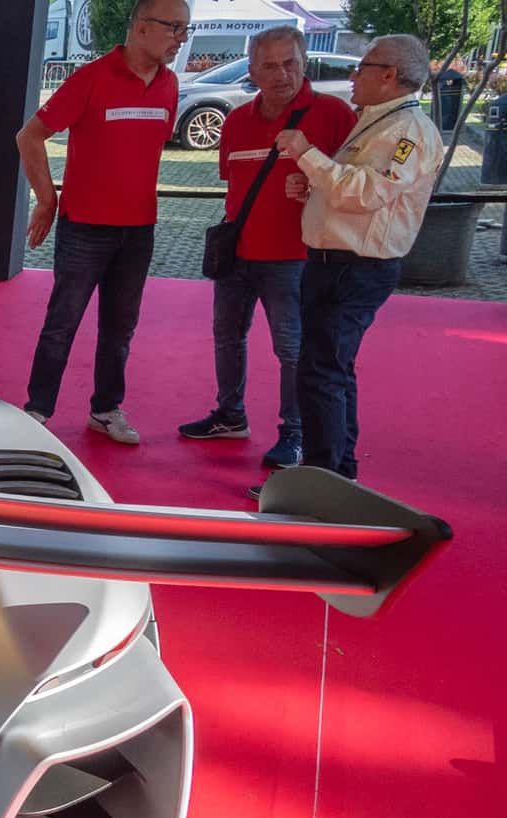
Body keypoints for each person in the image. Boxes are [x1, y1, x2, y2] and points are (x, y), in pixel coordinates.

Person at [262, 34, 441, 492]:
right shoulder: (379, 121)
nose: (353, 75)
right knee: (330, 370)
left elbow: (367, 194)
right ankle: (336, 474)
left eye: (362, 67)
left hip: (356, 267)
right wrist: (313, 189)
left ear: (389, 75)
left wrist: (307, 154)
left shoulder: (407, 131)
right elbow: (351, 186)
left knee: (322, 373)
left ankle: (323, 485)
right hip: (336, 262)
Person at [177, 26, 355, 471]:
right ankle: (230, 415)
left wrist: (314, 185)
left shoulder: (333, 114)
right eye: (270, 66)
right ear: (252, 72)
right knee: (227, 336)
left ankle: (295, 432)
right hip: (238, 252)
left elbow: (353, 185)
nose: (282, 74)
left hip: (295, 258)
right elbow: (234, 185)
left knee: (291, 349)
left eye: (290, 63)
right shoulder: (237, 120)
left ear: (305, 63)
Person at [15, 0, 185, 445]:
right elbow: (29, 135)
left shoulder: (170, 85)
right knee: (62, 323)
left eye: (186, 29)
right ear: (142, 27)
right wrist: (47, 198)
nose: (181, 38)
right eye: (174, 27)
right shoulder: (91, 78)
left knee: (120, 327)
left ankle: (105, 409)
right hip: (85, 228)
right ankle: (37, 411)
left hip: (139, 229)